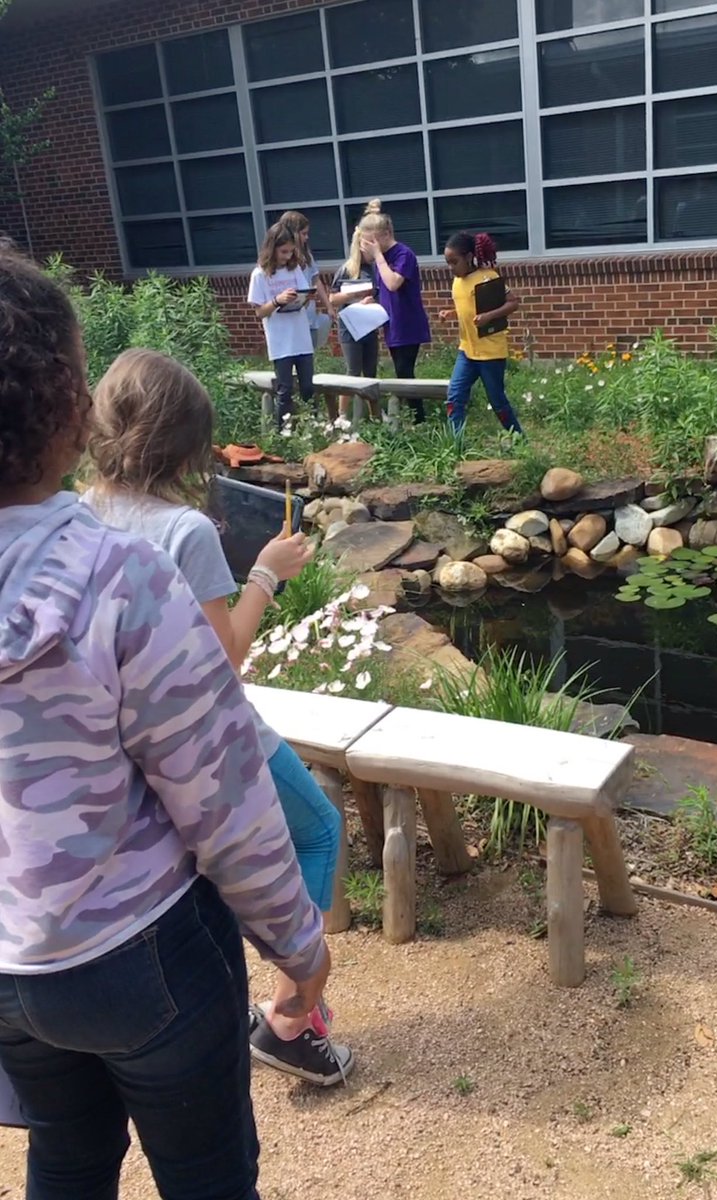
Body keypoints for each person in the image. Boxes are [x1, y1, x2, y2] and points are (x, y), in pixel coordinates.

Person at [0, 248, 329, 1199]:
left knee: (66, 1161)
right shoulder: (119, 577)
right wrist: (299, 950)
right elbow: (223, 797)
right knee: (207, 1178)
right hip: (138, 952)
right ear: (68, 407)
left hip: (11, 966)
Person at [84, 347, 354, 1086]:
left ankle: (233, 1005)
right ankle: (291, 1019)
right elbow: (222, 659)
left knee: (193, 869)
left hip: (125, 737)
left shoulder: (81, 511)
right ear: (184, 443)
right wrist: (267, 572)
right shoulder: (186, 531)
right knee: (318, 828)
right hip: (208, 733)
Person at [438, 231, 524, 437]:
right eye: (447, 263)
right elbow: (469, 308)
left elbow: (512, 303)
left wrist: (489, 316)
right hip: (467, 351)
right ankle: (456, 444)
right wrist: (451, 313)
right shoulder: (457, 282)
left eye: (455, 262)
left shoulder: (488, 278)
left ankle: (518, 438)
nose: (451, 268)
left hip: (490, 353)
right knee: (454, 397)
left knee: (497, 400)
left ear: (469, 257)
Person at [358, 199, 430, 424]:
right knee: (401, 372)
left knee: (405, 372)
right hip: (392, 324)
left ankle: (418, 420)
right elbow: (385, 291)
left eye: (372, 241)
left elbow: (393, 283)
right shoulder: (382, 259)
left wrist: (378, 256)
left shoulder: (403, 254)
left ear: (385, 235)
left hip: (408, 323)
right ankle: (412, 418)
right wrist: (373, 300)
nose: (369, 247)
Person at [247, 222, 315, 433]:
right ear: (272, 248)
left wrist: (302, 298)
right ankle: (282, 433)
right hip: (280, 341)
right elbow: (259, 312)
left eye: (291, 251)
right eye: (283, 251)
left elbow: (305, 296)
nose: (287, 256)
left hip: (301, 337)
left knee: (307, 388)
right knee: (285, 390)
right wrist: (278, 300)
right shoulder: (260, 275)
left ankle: (310, 430)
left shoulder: (294, 269)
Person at [329, 224, 382, 422]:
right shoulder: (346, 269)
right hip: (350, 327)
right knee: (353, 370)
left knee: (370, 371)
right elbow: (333, 299)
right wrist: (354, 295)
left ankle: (375, 415)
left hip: (369, 325)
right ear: (360, 246)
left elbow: (380, 294)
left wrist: (371, 301)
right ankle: (342, 415)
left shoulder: (375, 269)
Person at [279, 209, 336, 356]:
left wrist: (329, 307)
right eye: (303, 234)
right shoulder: (282, 260)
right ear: (293, 233)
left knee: (310, 357)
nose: (307, 237)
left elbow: (316, 280)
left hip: (310, 317)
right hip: (293, 319)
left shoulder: (307, 255)